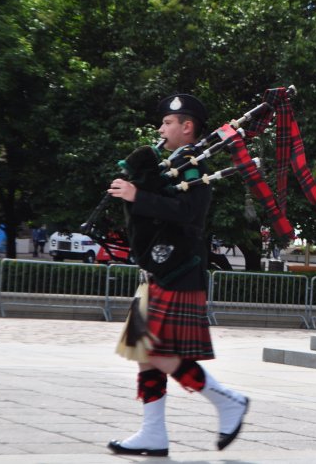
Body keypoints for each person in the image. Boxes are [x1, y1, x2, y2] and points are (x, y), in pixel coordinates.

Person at [106, 94, 248, 457]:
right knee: (145, 352)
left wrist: (138, 196)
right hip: (158, 268)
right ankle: (153, 432)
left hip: (180, 268)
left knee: (157, 351)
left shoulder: (193, 164)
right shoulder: (167, 164)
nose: (160, 129)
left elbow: (190, 213)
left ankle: (226, 400)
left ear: (187, 127)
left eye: (168, 123)